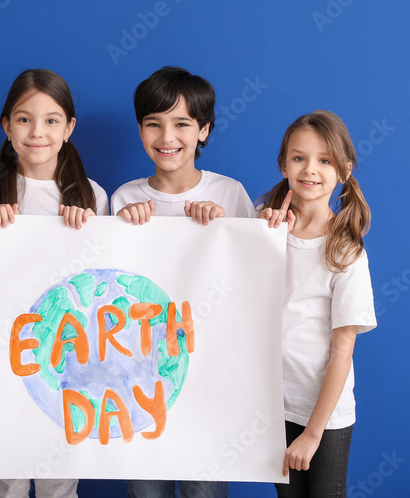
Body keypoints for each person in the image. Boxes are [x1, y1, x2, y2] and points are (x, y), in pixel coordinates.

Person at [0, 68, 109, 498]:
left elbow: (100, 283)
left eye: (51, 120)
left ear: (69, 128)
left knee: (58, 476)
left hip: (66, 356)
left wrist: (87, 231)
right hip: (1, 350)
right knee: (6, 477)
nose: (37, 131)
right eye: (24, 119)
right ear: (7, 126)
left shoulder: (93, 196)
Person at [112, 65, 254, 498]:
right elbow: (110, 287)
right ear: (140, 130)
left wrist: (222, 229)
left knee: (204, 490)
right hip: (140, 379)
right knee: (145, 490)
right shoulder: (123, 198)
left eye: (182, 124)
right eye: (154, 124)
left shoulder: (230, 195)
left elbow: (252, 281)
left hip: (209, 377)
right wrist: (119, 227)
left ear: (204, 131)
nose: (167, 136)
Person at [258, 110, 377, 498]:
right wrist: (259, 237)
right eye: (299, 158)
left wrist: (313, 433)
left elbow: (342, 350)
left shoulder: (345, 251)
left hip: (324, 415)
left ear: (344, 169)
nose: (310, 169)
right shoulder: (266, 232)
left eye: (324, 160)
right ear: (283, 165)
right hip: (276, 406)